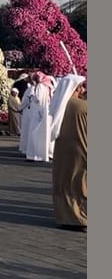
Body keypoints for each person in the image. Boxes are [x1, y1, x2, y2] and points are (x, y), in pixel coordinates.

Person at [50, 78, 87, 230]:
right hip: (81, 148)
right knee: (79, 182)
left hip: (62, 150)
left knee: (63, 181)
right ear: (76, 88)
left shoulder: (58, 105)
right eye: (81, 87)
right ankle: (79, 217)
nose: (83, 90)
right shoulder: (83, 106)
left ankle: (64, 216)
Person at [24, 73, 55, 162]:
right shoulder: (48, 87)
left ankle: (34, 155)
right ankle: (45, 153)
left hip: (38, 112)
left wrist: (31, 97)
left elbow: (38, 99)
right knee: (44, 133)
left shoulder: (40, 86)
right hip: (45, 112)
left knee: (34, 133)